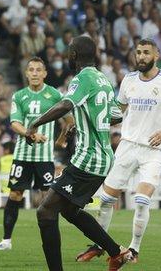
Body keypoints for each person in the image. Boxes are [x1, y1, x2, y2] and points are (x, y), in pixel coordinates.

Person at [76, 39, 161, 263]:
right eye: (138, 52)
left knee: (141, 199)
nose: (141, 56)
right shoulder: (128, 80)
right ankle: (99, 245)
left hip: (153, 150)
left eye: (146, 53)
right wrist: (92, 120)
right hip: (127, 146)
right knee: (106, 199)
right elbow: (117, 112)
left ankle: (134, 249)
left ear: (156, 55)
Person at [24, 35, 133, 271]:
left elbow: (65, 105)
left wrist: (35, 124)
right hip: (103, 157)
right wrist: (85, 120)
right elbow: (115, 115)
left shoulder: (82, 78)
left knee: (45, 212)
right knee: (70, 211)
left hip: (89, 158)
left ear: (73, 55)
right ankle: (116, 253)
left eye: (69, 50)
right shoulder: (103, 79)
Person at [0, 57, 72, 251]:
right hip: (22, 156)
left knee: (48, 199)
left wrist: (62, 138)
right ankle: (6, 240)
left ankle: (49, 241)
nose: (35, 73)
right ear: (26, 74)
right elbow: (14, 123)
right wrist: (30, 134)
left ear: (45, 73)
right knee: (15, 194)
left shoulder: (54, 94)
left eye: (39, 70)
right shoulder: (19, 96)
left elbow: (70, 120)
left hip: (44, 158)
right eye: (31, 70)